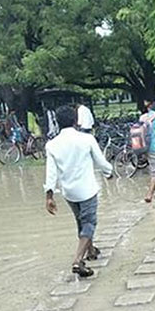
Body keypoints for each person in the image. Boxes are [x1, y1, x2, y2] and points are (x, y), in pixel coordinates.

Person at [44, 105, 113, 278]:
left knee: (81, 222)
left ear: (57, 122)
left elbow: (51, 173)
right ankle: (77, 260)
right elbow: (100, 161)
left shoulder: (52, 144)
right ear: (76, 121)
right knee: (89, 223)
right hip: (87, 190)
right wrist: (109, 172)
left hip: (69, 192)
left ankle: (91, 251)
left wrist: (49, 196)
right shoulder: (86, 139)